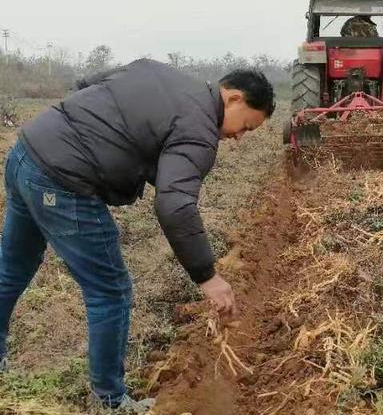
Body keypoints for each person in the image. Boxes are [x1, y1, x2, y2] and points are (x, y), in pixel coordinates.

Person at [0, 59, 275, 412]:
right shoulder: (199, 130)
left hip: (27, 150)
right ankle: (111, 401)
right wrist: (207, 276)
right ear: (234, 98)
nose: (237, 138)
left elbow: (87, 83)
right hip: (62, 181)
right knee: (110, 291)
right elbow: (175, 205)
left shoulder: (154, 71)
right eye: (246, 128)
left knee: (12, 267)